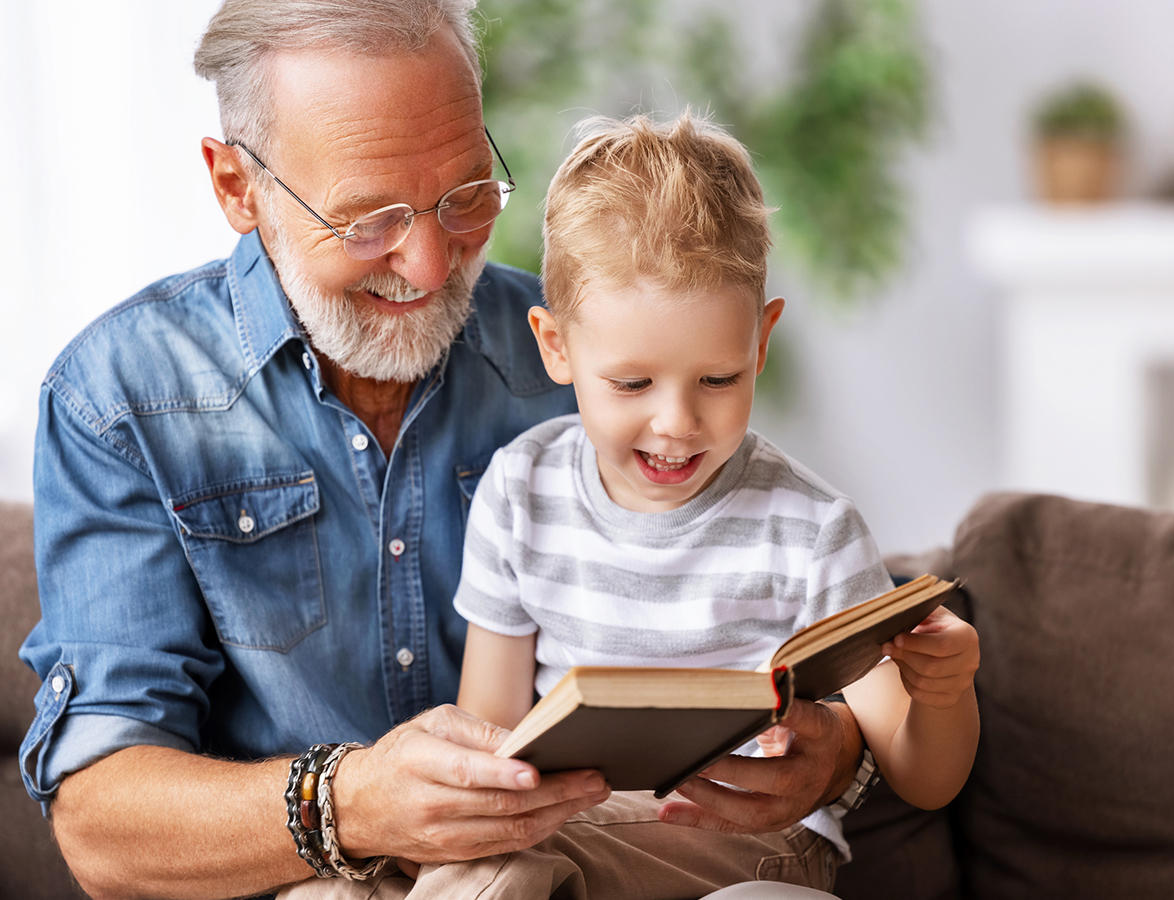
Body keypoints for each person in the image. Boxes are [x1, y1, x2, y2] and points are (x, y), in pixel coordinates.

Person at [17, 3, 885, 898]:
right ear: (238, 186)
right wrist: (350, 805)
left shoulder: (594, 361)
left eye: (467, 194)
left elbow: (777, 604)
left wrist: (836, 749)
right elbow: (102, 823)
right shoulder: (119, 398)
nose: (432, 266)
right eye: (367, 220)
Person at [286, 112, 981, 898]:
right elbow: (495, 733)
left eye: (718, 380)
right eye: (632, 384)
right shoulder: (521, 492)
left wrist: (943, 693)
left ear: (760, 341)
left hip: (745, 847)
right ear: (556, 346)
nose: (678, 423)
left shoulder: (812, 532)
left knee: (509, 868)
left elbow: (924, 779)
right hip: (564, 829)